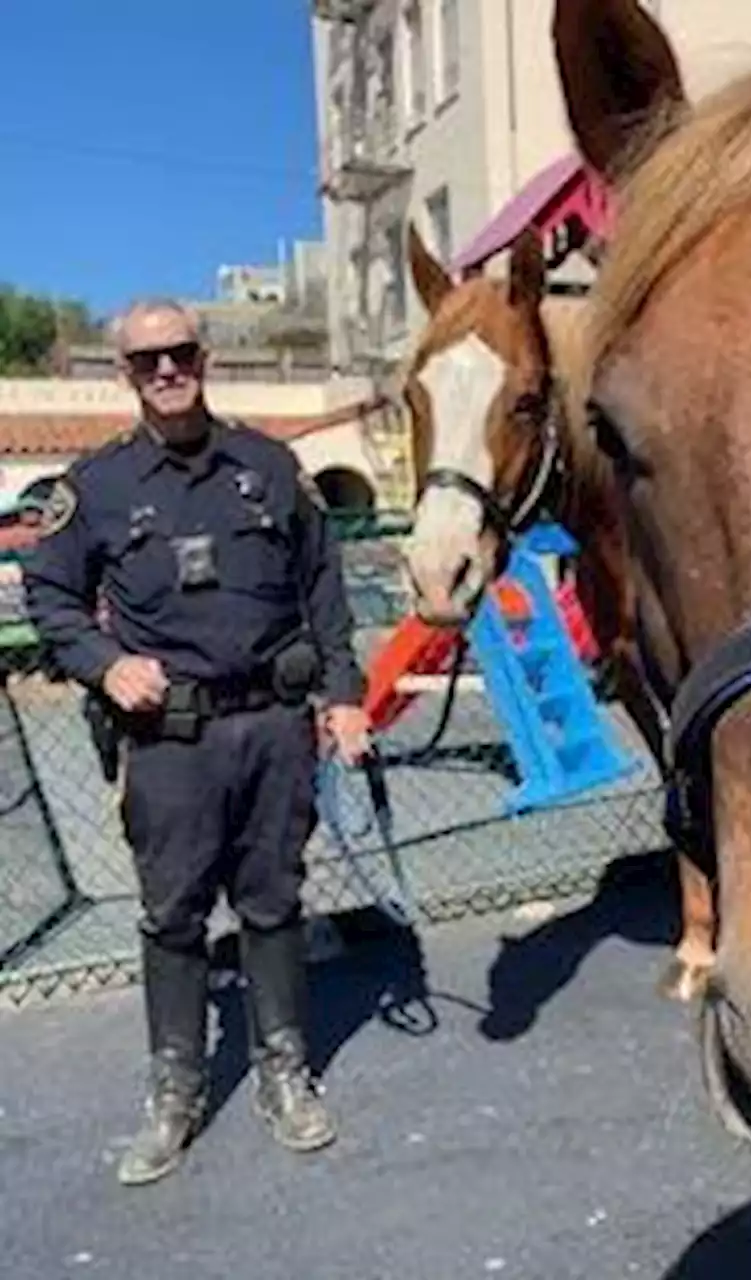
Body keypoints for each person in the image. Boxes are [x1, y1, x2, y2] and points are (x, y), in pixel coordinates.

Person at [23, 299, 372, 1187]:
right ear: (125, 376)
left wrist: (343, 697)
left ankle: (283, 1073)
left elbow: (323, 585)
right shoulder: (94, 488)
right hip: (168, 742)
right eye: (147, 361)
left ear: (204, 358)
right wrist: (104, 666)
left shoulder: (267, 464)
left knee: (273, 903)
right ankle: (175, 1090)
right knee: (173, 917)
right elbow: (51, 599)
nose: (167, 370)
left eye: (180, 353)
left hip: (272, 731)